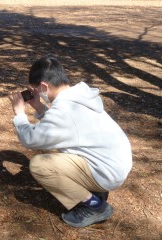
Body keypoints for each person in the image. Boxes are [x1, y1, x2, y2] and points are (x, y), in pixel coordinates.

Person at [8, 56, 132, 228]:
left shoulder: (64, 111)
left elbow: (31, 139)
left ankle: (96, 207)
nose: (37, 92)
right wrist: (38, 106)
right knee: (51, 149)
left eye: (36, 89)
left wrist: (20, 114)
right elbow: (63, 127)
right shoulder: (79, 96)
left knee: (39, 166)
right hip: (114, 162)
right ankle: (96, 190)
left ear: (43, 86)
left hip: (106, 171)